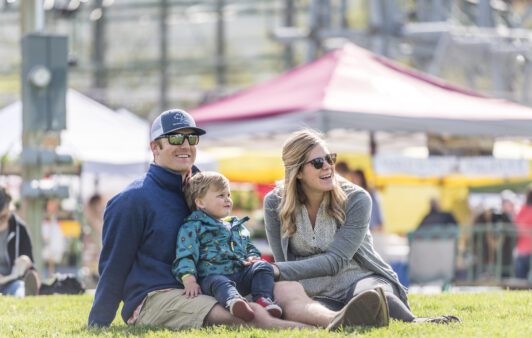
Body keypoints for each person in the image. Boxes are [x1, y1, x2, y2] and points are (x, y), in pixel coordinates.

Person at [88, 109, 389, 330]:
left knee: (286, 289)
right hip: (158, 296)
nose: (185, 145)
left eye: (191, 137)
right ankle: (312, 332)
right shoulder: (131, 201)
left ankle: (338, 319)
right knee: (239, 312)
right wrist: (98, 323)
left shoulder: (202, 189)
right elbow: (113, 267)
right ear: (155, 147)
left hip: (213, 282)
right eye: (174, 138)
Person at [264, 129, 460, 324]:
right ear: (297, 172)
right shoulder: (274, 203)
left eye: (329, 159)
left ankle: (416, 322)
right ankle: (340, 318)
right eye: (317, 163)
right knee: (296, 300)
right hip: (312, 293)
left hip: (358, 278)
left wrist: (276, 269)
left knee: (373, 293)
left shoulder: (357, 198)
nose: (328, 167)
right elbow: (284, 265)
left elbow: (335, 261)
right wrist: (278, 271)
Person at [173, 171, 282, 322]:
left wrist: (252, 256)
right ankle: (235, 302)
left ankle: (263, 300)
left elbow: (247, 245)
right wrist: (189, 279)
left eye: (228, 195)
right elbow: (186, 254)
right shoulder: (193, 226)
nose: (227, 200)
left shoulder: (234, 224)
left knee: (263, 266)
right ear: (200, 202)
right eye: (220, 196)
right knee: (219, 282)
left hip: (240, 273)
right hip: (212, 278)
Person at [0, 186, 40, 297]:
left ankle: (26, 294)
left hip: (12, 281)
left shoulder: (19, 228)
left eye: (3, 217)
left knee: (19, 287)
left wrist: (25, 262)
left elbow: (31, 262)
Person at [42, 198, 66, 276]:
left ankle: (51, 274)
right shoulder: (43, 214)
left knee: (53, 255)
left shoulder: (58, 213)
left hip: (54, 234)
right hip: (46, 233)